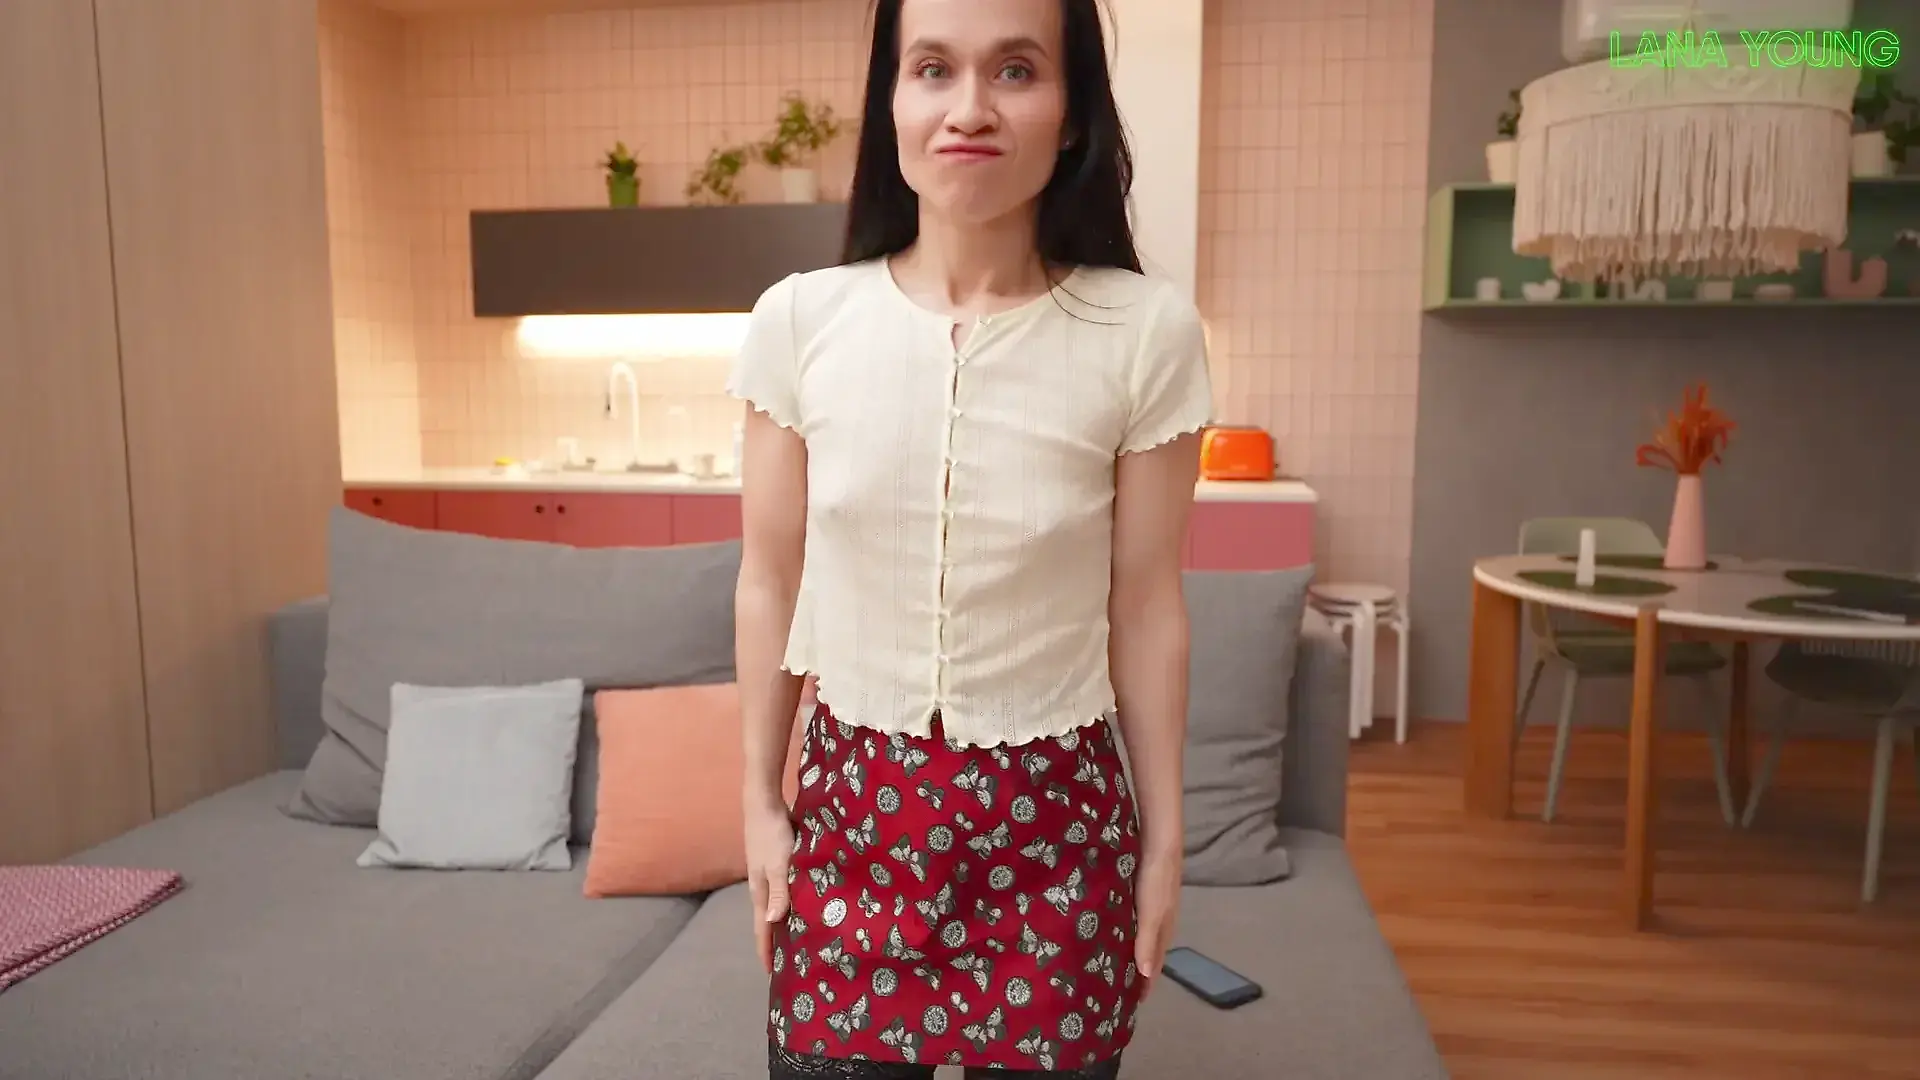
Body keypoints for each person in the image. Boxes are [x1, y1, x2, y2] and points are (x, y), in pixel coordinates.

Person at [729, 0, 1211, 1076]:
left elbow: (1147, 608)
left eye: (1017, 71)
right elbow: (769, 580)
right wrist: (759, 800)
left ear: (1073, 114)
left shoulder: (1145, 333)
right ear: (892, 102)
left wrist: (1167, 840)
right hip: (852, 831)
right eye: (934, 69)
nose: (971, 109)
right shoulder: (799, 323)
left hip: (1059, 847)